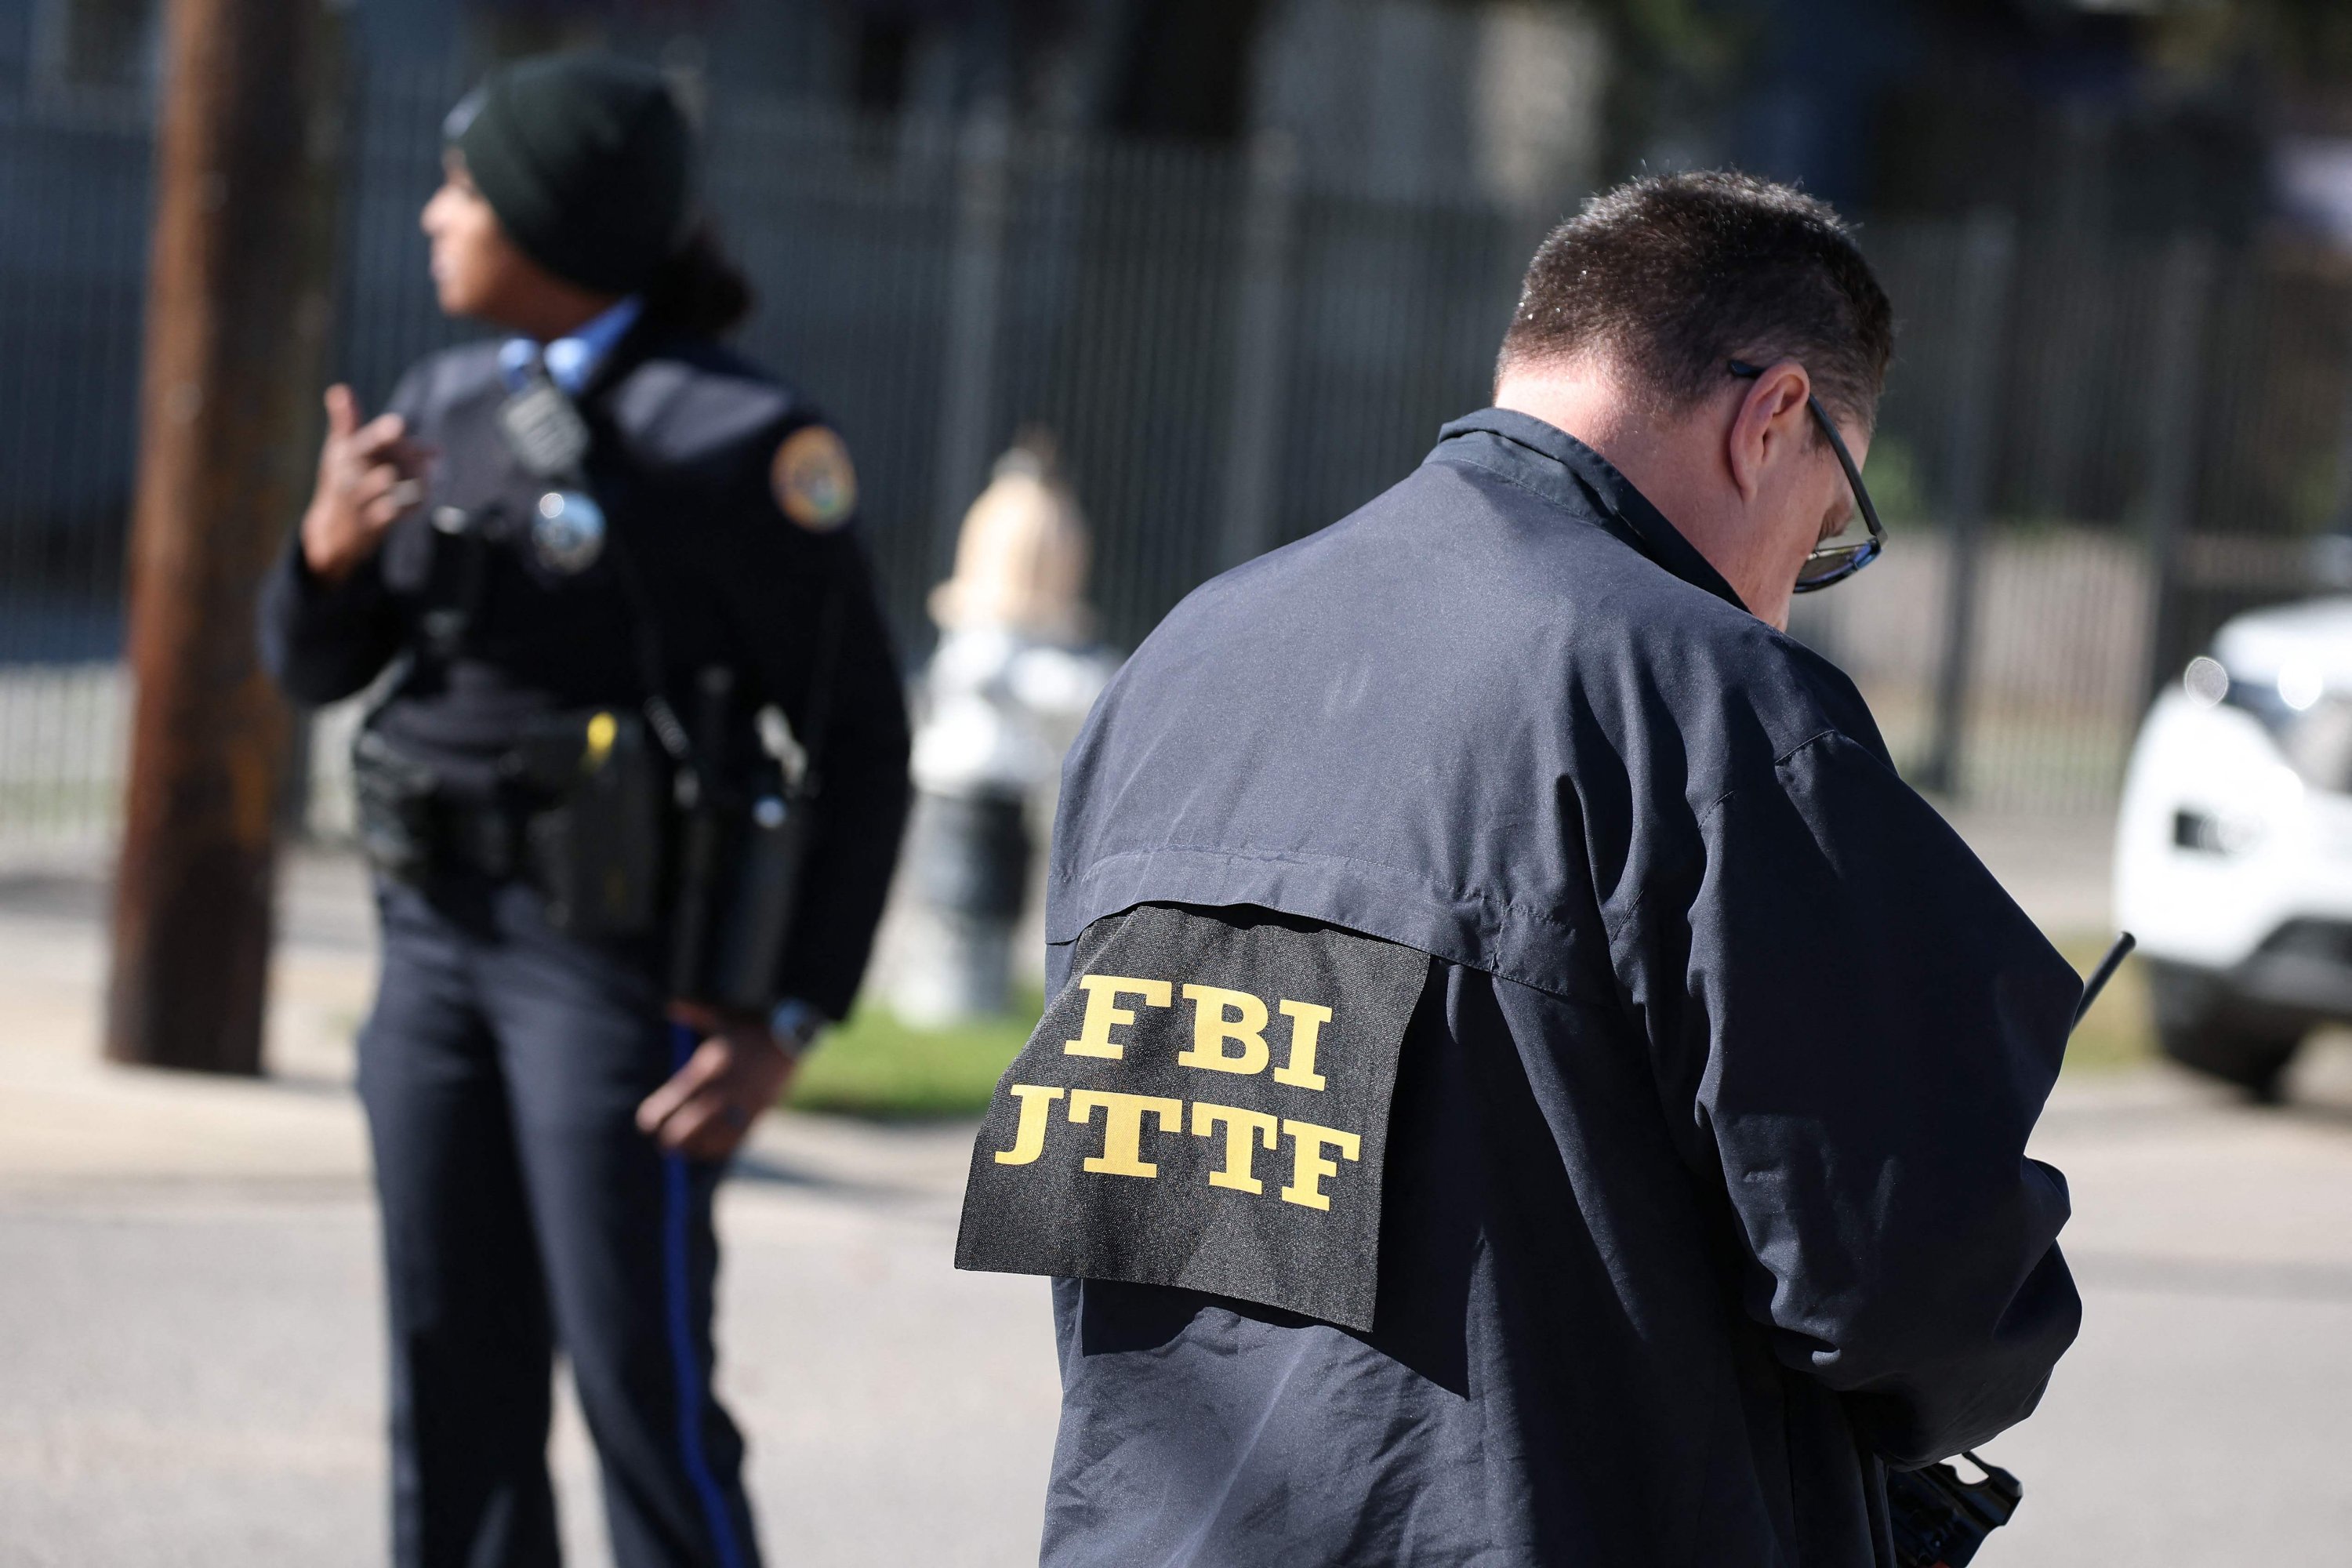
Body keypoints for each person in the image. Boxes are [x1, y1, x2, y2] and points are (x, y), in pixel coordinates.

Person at [954, 172, 2081, 1566]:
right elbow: (1906, 1276)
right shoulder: (1709, 700)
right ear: (1774, 417)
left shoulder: (1180, 663)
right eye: (1834, 527)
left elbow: (1129, 1220)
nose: (1802, 579)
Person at [260, 54, 910, 1568]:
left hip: (618, 979)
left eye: (465, 188)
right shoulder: (437, 404)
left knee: (642, 1390)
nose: (432, 216)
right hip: (432, 953)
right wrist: (325, 551)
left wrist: (790, 1016)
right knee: (451, 1384)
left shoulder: (740, 441)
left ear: (554, 222)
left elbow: (861, 749)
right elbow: (312, 667)